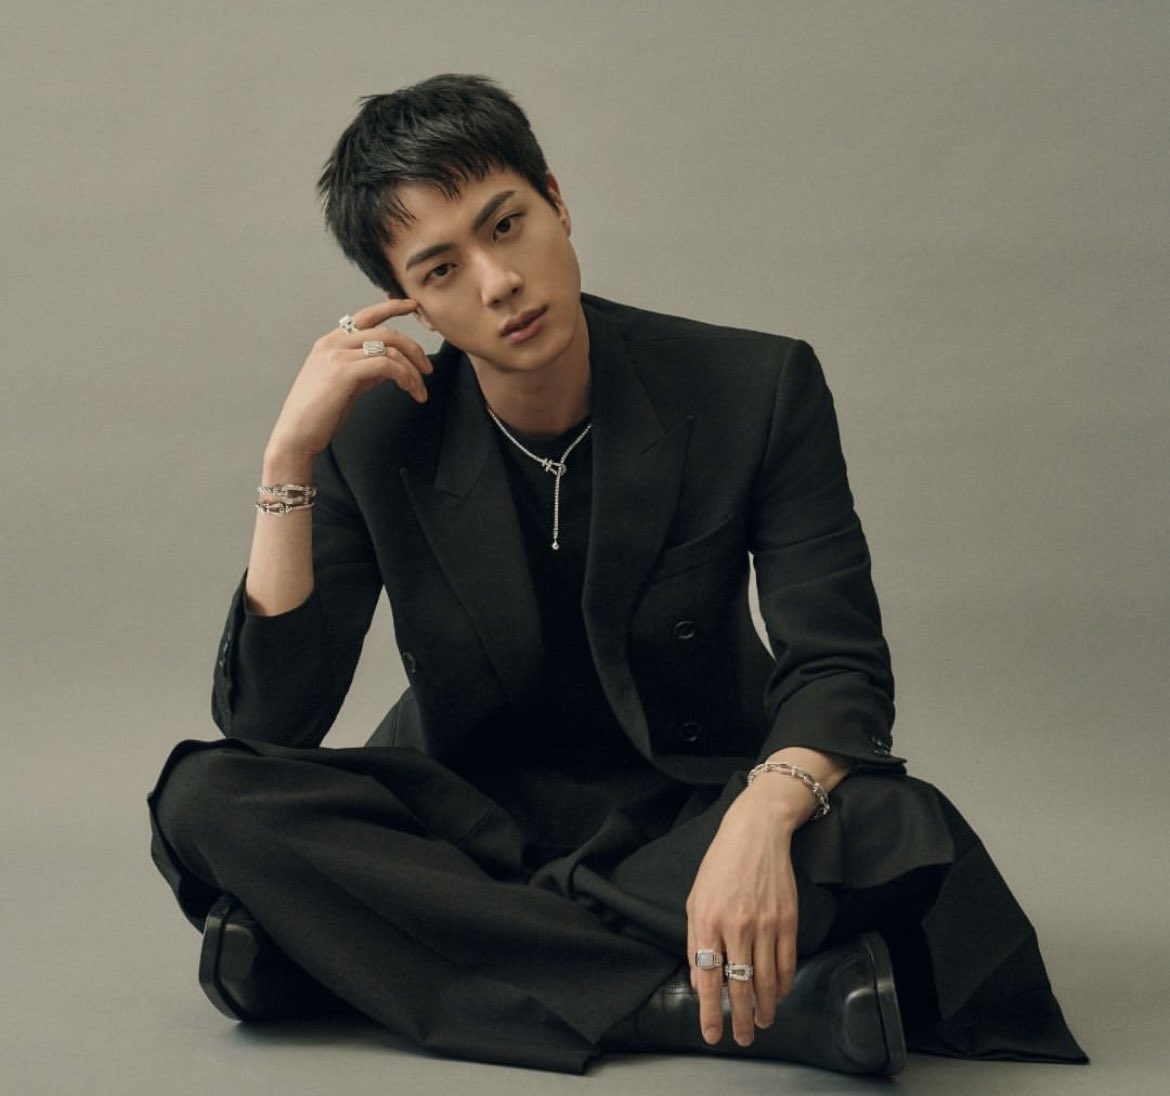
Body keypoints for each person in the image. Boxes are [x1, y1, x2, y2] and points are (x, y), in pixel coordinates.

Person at [148, 73, 1086, 1076]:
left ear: (556, 200)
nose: (497, 282)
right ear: (406, 302)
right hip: (466, 821)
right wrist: (287, 460)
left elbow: (839, 666)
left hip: (692, 811)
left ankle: (361, 956)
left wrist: (764, 813)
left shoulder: (753, 388)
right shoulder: (375, 434)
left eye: (506, 225)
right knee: (206, 794)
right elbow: (271, 727)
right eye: (442, 269)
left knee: (888, 825)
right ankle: (687, 1006)